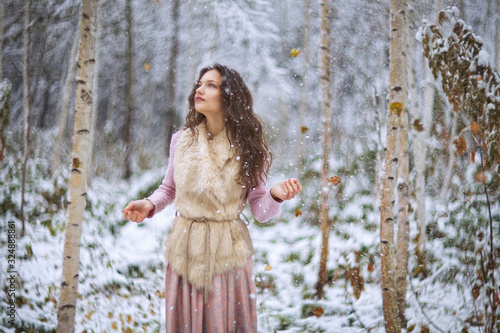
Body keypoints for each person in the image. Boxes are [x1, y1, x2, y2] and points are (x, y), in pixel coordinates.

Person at [122, 64, 302, 332]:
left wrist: (274, 196)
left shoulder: (251, 149)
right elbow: (169, 189)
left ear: (229, 96)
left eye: (211, 85)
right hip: (185, 249)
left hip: (227, 252)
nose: (200, 89)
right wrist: (149, 204)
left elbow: (261, 212)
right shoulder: (181, 141)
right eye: (200, 83)